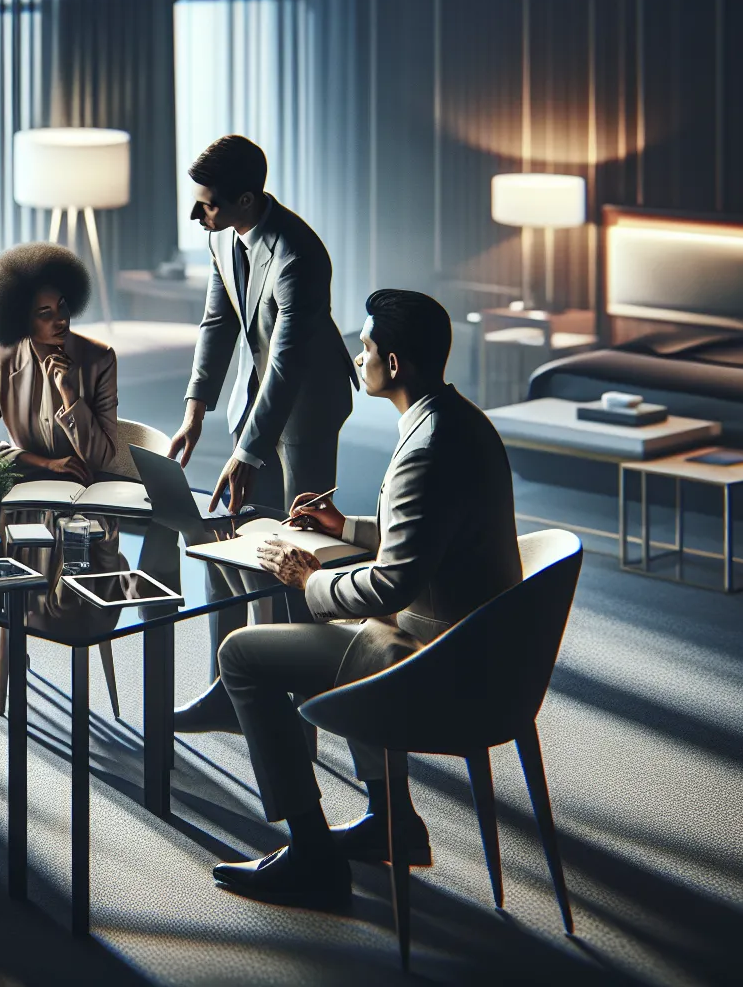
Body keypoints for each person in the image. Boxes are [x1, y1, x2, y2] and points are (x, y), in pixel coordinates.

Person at [208, 289, 522, 905]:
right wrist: (344, 529)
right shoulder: (454, 420)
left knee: (244, 656)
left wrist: (306, 579)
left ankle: (310, 856)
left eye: (366, 346)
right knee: (350, 628)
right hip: (488, 644)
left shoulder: (424, 450)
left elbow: (394, 582)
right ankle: (391, 821)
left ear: (394, 365)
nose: (357, 355)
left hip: (442, 661)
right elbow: (428, 536)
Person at [167, 134, 359, 733]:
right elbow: (218, 322)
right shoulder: (226, 239)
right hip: (252, 402)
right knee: (232, 538)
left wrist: (247, 452)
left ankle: (308, 698)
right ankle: (230, 685)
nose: (197, 216)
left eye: (208, 206)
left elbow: (289, 362)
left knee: (299, 547)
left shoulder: (301, 254)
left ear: (247, 199)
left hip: (305, 408)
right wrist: (196, 410)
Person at [0, 242, 119, 482]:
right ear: (21, 318)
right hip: (25, 488)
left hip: (84, 494)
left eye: (62, 305)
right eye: (45, 313)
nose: (62, 320)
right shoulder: (3, 357)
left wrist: (70, 396)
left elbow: (102, 458)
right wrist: (45, 464)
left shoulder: (100, 359)